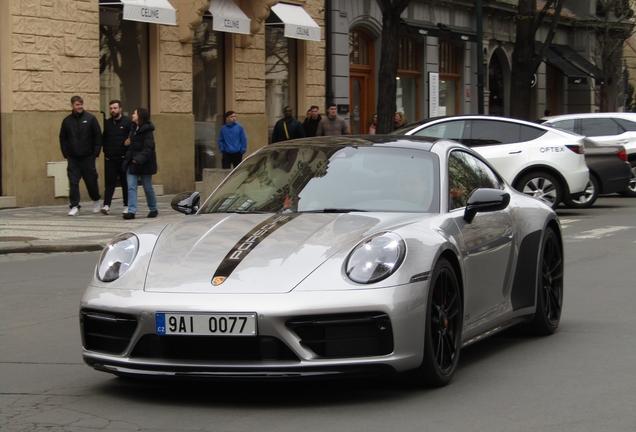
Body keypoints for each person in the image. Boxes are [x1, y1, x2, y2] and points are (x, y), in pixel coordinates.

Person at [59, 95, 102, 216]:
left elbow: (97, 136)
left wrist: (95, 153)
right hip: (73, 157)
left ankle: (96, 199)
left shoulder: (91, 118)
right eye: (77, 105)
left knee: (91, 181)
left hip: (88, 156)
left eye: (81, 104)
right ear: (72, 105)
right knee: (73, 182)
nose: (80, 107)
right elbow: (63, 138)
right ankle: (74, 205)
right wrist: (65, 153)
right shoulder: (67, 121)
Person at [122, 108, 158, 220]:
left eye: (135, 113)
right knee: (131, 187)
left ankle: (153, 208)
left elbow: (148, 148)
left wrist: (138, 159)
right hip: (132, 162)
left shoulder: (148, 131)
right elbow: (131, 145)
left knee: (147, 187)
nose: (132, 115)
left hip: (144, 163)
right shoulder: (133, 128)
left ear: (140, 116)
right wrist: (126, 144)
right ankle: (131, 211)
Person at [100, 100, 132, 215]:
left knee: (125, 183)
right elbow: (104, 138)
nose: (113, 110)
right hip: (110, 158)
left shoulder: (128, 122)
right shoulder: (108, 123)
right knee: (110, 183)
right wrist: (106, 151)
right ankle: (106, 205)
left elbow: (132, 138)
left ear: (120, 109)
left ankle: (127, 205)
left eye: (115, 108)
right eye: (111, 108)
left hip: (123, 158)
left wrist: (127, 146)